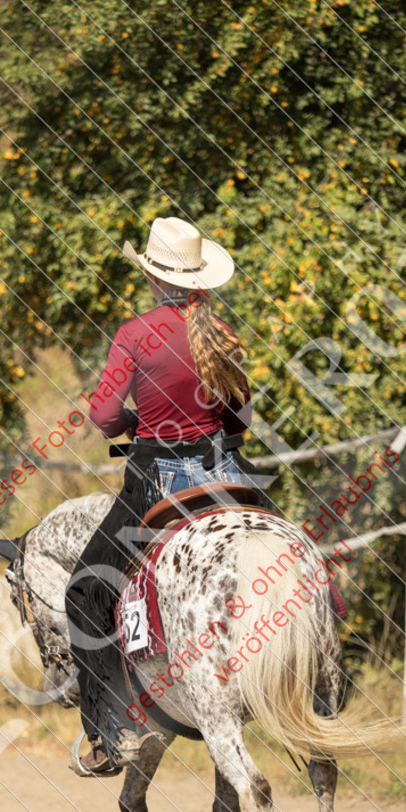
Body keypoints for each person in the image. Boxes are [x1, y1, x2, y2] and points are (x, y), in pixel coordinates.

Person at [65, 216, 267, 775]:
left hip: (157, 479)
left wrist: (135, 421)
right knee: (291, 548)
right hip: (225, 471)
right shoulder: (222, 335)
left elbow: (104, 415)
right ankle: (329, 681)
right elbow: (239, 417)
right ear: (200, 277)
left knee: (85, 591)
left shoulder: (136, 334)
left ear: (154, 277)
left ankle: (114, 731)